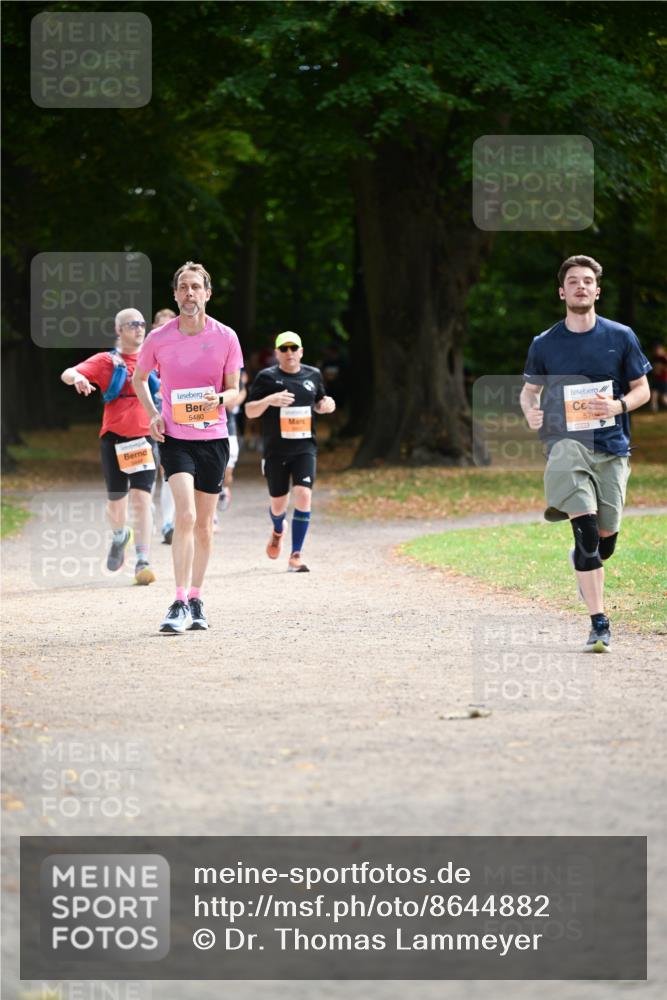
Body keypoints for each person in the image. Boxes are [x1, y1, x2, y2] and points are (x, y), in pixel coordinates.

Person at [520, 255, 651, 653]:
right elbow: (529, 391)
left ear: (597, 290)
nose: (580, 286)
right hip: (565, 445)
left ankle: (586, 552)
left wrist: (619, 407)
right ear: (562, 292)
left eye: (587, 281)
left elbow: (642, 389)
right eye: (573, 281)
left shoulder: (621, 336)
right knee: (588, 534)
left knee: (604, 541)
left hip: (611, 448)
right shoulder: (545, 343)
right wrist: (530, 411)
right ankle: (599, 622)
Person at [132, 261, 243, 634]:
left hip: (213, 439)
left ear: (207, 293)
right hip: (176, 439)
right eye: (183, 287)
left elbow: (235, 391)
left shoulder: (226, 336)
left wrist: (217, 398)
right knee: (186, 516)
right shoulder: (159, 338)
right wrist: (154, 415)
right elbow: (139, 377)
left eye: (196, 287)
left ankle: (196, 597)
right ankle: (178, 601)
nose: (189, 293)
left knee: (206, 526)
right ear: (175, 294)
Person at [60, 308, 158, 585]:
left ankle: (143, 560)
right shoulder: (107, 361)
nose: (139, 329)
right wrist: (78, 378)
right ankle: (120, 536)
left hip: (144, 439)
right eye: (131, 325)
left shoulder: (153, 359)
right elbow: (68, 372)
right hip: (114, 438)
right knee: (117, 505)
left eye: (142, 324)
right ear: (119, 330)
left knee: (142, 499)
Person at [245, 331, 336, 572]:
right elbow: (250, 411)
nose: (289, 353)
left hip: (305, 447)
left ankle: (296, 554)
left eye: (293, 348)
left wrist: (326, 405)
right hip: (276, 449)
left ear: (301, 351)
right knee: (278, 504)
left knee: (304, 495)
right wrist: (269, 400)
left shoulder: (313, 374)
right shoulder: (267, 377)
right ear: (276, 353)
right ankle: (277, 529)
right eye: (283, 349)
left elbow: (319, 401)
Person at [151, 308, 177, 544]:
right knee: (148, 474)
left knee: (168, 472)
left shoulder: (181, 354)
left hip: (174, 424)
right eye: (161, 325)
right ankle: (147, 519)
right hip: (146, 424)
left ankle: (169, 523)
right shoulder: (145, 355)